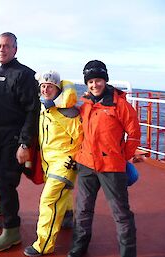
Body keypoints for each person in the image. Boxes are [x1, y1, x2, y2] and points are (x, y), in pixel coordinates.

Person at [67, 60, 141, 257]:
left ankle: (128, 253)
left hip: (112, 167)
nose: (94, 85)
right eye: (90, 81)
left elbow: (133, 135)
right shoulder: (86, 104)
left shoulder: (121, 105)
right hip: (86, 165)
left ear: (105, 80)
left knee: (121, 214)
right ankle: (79, 247)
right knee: (82, 210)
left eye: (98, 80)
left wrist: (122, 157)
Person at [0, 32, 40, 251]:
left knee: (7, 180)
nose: (2, 49)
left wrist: (25, 143)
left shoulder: (25, 75)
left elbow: (32, 111)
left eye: (7, 46)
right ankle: (6, 204)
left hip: (16, 135)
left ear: (15, 49)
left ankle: (12, 229)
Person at [23, 71, 83, 257]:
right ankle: (67, 215)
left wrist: (73, 160)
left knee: (48, 201)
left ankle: (43, 244)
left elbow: (81, 139)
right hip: (50, 161)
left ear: (58, 88)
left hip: (64, 163)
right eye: (43, 86)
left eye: (50, 86)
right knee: (61, 196)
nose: (46, 89)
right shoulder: (45, 107)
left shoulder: (68, 111)